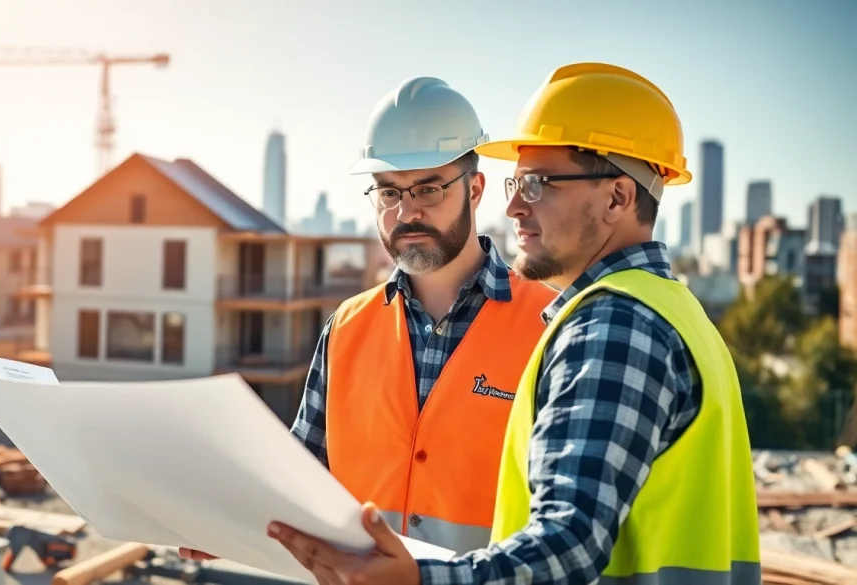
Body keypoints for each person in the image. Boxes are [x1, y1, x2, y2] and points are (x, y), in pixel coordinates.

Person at [266, 62, 761, 585]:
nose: (515, 205)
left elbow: (567, 540)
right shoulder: (661, 311)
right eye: (389, 192)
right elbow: (302, 476)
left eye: (538, 184)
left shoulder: (604, 325)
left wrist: (421, 580)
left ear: (618, 196)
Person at [181, 76, 556, 561]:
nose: (406, 213)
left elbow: (564, 527)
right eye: (388, 193)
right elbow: (303, 474)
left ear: (476, 189)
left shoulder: (550, 325)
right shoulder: (347, 326)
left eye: (428, 190)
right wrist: (230, 521)